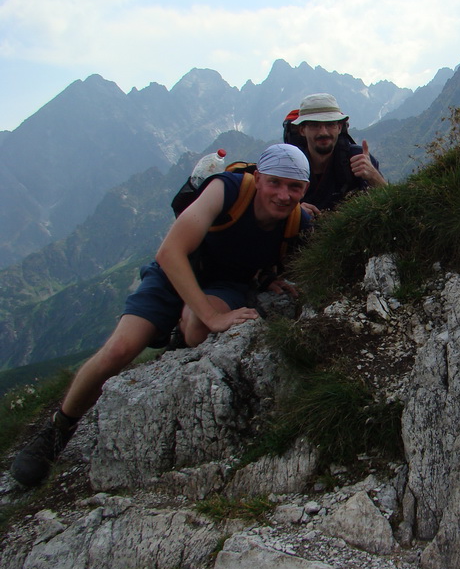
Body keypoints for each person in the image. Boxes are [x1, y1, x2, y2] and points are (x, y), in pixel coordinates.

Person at [10, 143, 312, 488]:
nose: (283, 194)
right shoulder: (225, 190)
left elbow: (285, 253)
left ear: (305, 189)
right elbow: (169, 252)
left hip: (224, 283)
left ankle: (178, 332)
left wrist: (270, 278)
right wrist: (214, 318)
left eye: (294, 187)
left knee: (196, 328)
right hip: (172, 273)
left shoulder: (298, 222)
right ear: (258, 178)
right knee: (120, 350)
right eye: (275, 182)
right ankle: (58, 429)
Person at [283, 93, 387, 218]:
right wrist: (295, 212)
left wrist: (374, 176)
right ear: (302, 130)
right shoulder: (288, 163)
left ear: (339, 127)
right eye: (315, 125)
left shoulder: (359, 158)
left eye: (330, 124)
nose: (323, 132)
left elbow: (391, 202)